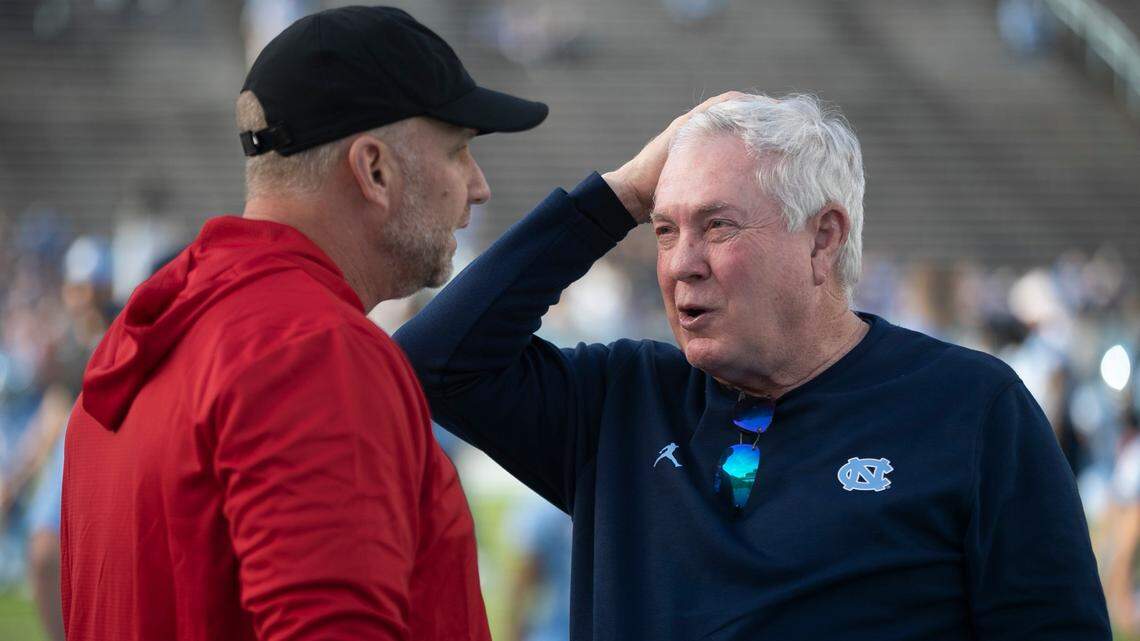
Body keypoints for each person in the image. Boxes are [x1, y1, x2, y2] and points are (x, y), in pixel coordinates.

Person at [394, 93, 1110, 639]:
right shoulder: (621, 400)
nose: (680, 265)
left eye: (718, 225)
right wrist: (619, 196)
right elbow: (434, 363)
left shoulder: (972, 409)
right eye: (666, 229)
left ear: (823, 240)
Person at [60, 6, 548, 641]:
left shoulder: (158, 332)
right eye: (457, 151)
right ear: (374, 170)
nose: (477, 187)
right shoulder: (314, 351)